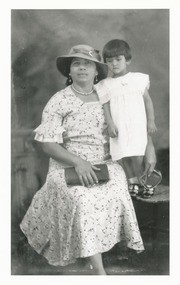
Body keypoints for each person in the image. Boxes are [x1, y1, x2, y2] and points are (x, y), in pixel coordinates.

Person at [20, 44, 156, 275]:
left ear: (97, 71)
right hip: (67, 165)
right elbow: (48, 145)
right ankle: (100, 273)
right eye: (76, 64)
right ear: (69, 72)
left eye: (88, 64)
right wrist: (78, 162)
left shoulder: (109, 94)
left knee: (115, 191)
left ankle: (96, 251)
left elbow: (136, 121)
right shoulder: (59, 100)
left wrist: (149, 146)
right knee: (83, 200)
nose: (82, 68)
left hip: (106, 162)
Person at [96, 39, 157, 199]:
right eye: (109, 61)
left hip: (137, 124)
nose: (114, 64)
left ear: (127, 60)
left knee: (140, 156)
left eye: (118, 59)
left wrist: (151, 121)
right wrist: (110, 123)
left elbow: (148, 101)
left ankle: (148, 182)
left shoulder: (138, 79)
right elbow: (106, 106)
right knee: (125, 156)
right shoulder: (105, 84)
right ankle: (133, 181)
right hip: (119, 126)